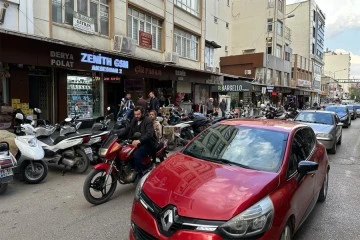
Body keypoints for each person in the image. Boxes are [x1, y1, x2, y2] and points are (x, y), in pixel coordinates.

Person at [120, 106, 156, 179]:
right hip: (136, 142)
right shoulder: (134, 120)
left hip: (148, 142)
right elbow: (128, 129)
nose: (136, 116)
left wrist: (140, 140)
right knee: (126, 152)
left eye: (138, 114)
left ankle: (139, 174)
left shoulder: (148, 120)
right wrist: (117, 135)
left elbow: (149, 134)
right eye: (135, 114)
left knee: (136, 155)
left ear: (142, 113)